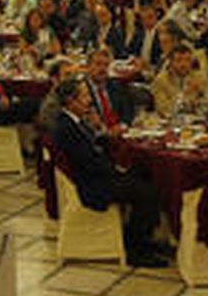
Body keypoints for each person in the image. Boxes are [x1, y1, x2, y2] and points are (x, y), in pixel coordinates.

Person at [49, 79, 169, 267]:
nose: (89, 100)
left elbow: (93, 147)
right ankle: (136, 249)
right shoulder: (66, 127)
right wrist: (117, 170)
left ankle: (143, 237)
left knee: (146, 175)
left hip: (95, 176)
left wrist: (99, 130)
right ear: (71, 101)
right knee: (146, 192)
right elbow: (88, 161)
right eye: (84, 96)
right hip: (91, 185)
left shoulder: (74, 121)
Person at [151, 43, 208, 116]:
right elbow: (163, 109)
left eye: (187, 60)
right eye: (179, 60)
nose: (183, 64)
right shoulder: (161, 80)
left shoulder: (199, 78)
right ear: (171, 62)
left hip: (195, 119)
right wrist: (184, 95)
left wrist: (200, 94)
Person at [85, 47, 135, 130]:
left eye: (106, 65)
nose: (102, 69)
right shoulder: (82, 90)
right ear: (88, 67)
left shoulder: (117, 86)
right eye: (98, 64)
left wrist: (122, 126)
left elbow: (128, 114)